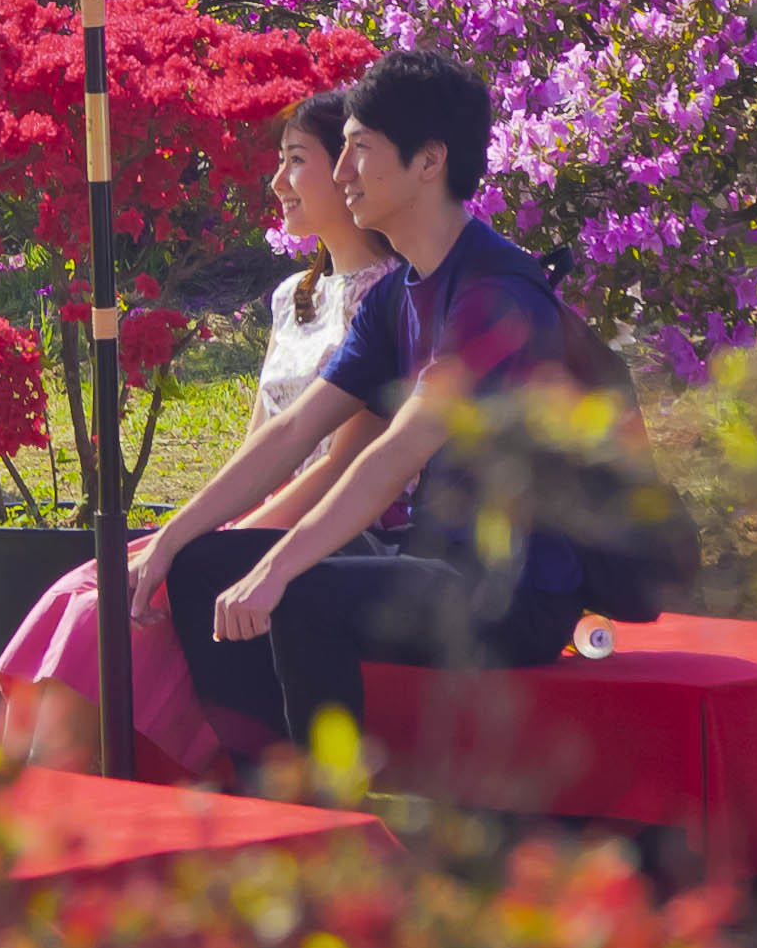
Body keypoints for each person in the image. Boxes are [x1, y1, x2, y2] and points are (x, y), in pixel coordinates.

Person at [118, 50, 590, 753]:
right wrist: (171, 539)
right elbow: (289, 432)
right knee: (200, 566)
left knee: (301, 591)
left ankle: (330, 810)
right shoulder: (397, 296)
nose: (341, 174)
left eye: (360, 150)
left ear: (429, 162)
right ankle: (265, 779)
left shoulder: (494, 294)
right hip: (425, 557)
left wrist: (276, 570)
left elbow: (395, 451)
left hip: (509, 594)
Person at [0, 92, 399, 777]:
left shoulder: (388, 298)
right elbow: (260, 447)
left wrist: (216, 548)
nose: (275, 182)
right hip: (257, 521)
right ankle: (10, 806)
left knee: (106, 619)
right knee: (79, 591)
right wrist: (191, 533)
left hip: (331, 533)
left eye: (295, 161)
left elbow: (339, 471)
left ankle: (45, 809)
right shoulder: (293, 295)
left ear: (347, 169)